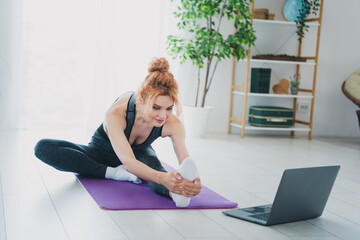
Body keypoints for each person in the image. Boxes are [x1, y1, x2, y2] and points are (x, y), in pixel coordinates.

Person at [34, 57, 202, 207]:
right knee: (43, 147)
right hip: (101, 154)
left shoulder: (172, 123)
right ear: (141, 99)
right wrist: (160, 178)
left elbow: (185, 160)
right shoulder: (116, 113)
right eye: (156, 107)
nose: (163, 115)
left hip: (139, 155)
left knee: (155, 168)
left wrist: (192, 181)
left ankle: (175, 194)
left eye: (169, 108)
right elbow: (128, 162)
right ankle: (111, 172)